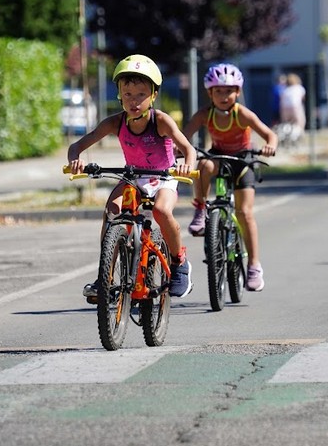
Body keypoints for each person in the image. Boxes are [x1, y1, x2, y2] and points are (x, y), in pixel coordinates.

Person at [67, 54, 197, 300]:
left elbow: (188, 149)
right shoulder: (115, 122)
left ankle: (180, 263)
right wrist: (75, 160)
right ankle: (106, 275)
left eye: (141, 94)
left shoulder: (161, 121)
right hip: (133, 177)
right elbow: (77, 146)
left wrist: (186, 167)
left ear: (153, 95)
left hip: (163, 177)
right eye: (128, 95)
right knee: (112, 208)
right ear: (119, 94)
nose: (134, 101)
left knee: (161, 211)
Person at [182, 62, 278, 292]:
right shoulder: (205, 114)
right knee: (203, 164)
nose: (224, 96)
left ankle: (254, 266)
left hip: (242, 160)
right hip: (218, 156)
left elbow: (269, 134)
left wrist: (270, 146)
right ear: (210, 93)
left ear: (238, 92)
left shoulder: (242, 114)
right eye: (218, 91)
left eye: (229, 91)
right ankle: (201, 208)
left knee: (244, 213)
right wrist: (180, 149)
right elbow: (184, 136)